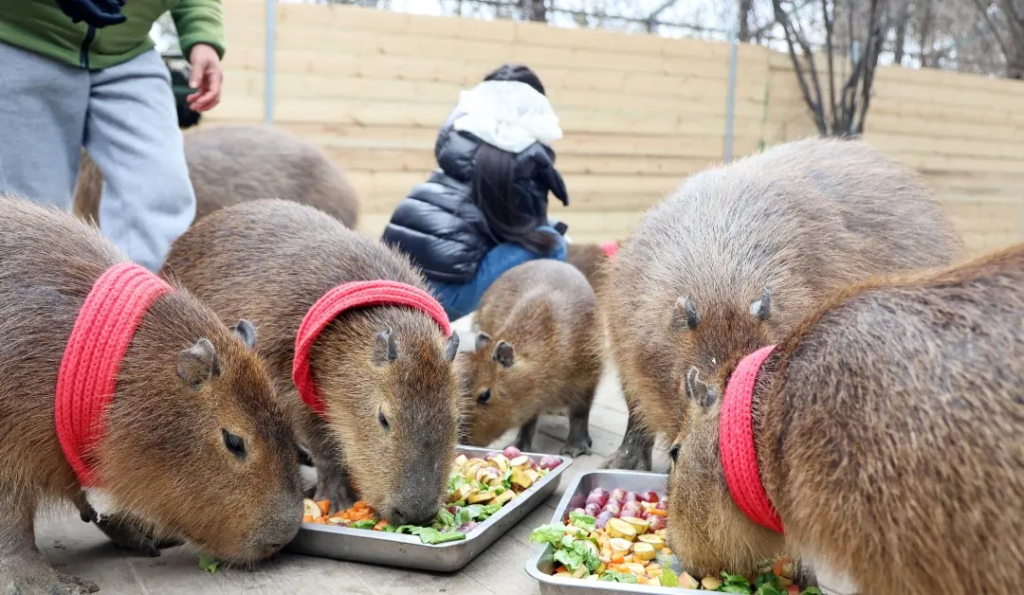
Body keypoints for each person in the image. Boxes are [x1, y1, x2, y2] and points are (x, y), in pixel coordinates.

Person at [0, 0, 224, 273]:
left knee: (161, 190)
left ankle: (143, 307)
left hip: (128, 49)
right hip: (26, 38)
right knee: (32, 210)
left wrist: (202, 35)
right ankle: (26, 309)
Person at [382, 64, 570, 321]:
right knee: (553, 244)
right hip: (444, 298)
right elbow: (528, 228)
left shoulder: (461, 135)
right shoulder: (522, 155)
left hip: (399, 279)